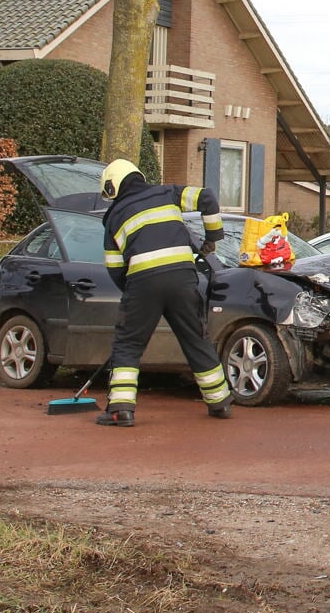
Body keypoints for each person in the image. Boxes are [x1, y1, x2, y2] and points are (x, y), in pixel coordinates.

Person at [94, 159, 235, 426]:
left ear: (113, 188)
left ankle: (121, 410)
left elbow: (114, 268)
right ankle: (220, 402)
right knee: (196, 337)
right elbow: (207, 197)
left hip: (142, 283)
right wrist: (212, 239)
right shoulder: (167, 193)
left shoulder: (113, 218)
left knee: (128, 344)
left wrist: (136, 298)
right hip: (183, 279)